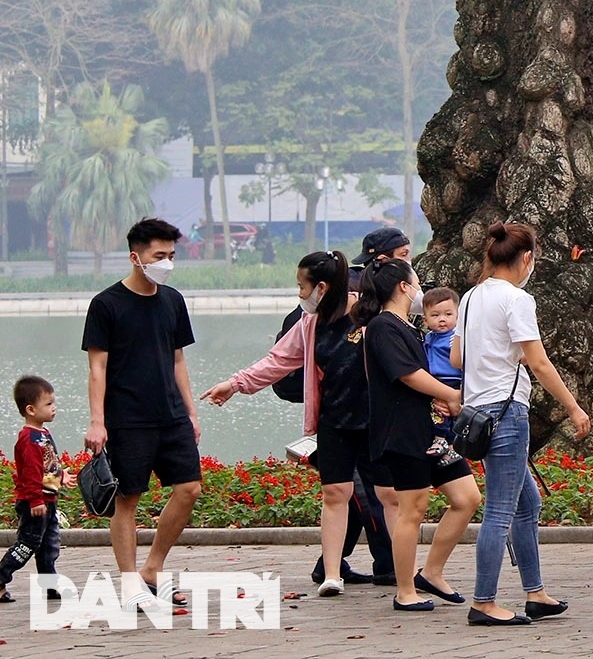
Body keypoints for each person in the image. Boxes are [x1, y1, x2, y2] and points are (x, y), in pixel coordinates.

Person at [203, 251, 382, 597]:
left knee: (390, 497)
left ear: (323, 287)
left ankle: (403, 575)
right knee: (335, 494)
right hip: (335, 422)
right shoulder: (310, 325)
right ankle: (332, 575)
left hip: (376, 422)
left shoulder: (369, 315)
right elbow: (277, 361)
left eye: (302, 287)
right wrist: (236, 384)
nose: (300, 294)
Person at [455, 221, 591, 625]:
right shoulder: (516, 300)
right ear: (527, 258)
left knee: (527, 501)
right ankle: (483, 602)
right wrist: (573, 407)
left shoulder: (470, 298)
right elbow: (539, 362)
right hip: (507, 413)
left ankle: (536, 592)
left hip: (479, 413)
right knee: (500, 510)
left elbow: (459, 359)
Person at [81, 217, 202, 597]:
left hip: (171, 415)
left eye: (171, 255)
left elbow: (177, 359)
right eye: (159, 255)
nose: (166, 262)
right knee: (127, 500)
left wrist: (191, 413)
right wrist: (97, 422)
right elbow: (97, 368)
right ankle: (130, 582)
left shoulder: (172, 300)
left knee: (190, 489)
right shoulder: (106, 304)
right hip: (128, 418)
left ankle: (153, 568)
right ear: (136, 257)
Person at [357, 259, 480, 614]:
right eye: (416, 281)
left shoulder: (408, 327)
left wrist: (438, 399)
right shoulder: (382, 326)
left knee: (466, 497)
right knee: (413, 509)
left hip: (428, 431)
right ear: (403, 287)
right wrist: (449, 394)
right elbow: (409, 375)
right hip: (402, 433)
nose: (418, 287)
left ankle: (433, 572)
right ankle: (405, 590)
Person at [1, 376, 74, 603]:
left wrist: (61, 476)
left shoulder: (42, 434)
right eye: (49, 404)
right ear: (31, 409)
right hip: (35, 503)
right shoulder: (29, 439)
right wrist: (35, 500)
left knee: (49, 546)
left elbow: (47, 465)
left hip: (47, 501)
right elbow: (31, 473)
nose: (54, 408)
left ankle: (50, 585)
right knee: (28, 544)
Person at [422, 288, 462, 458]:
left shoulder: (456, 337)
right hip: (434, 380)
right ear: (425, 320)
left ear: (457, 316)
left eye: (448, 314)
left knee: (448, 413)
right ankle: (446, 443)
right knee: (439, 411)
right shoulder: (429, 337)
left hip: (452, 379)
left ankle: (445, 441)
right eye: (435, 315)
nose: (442, 319)